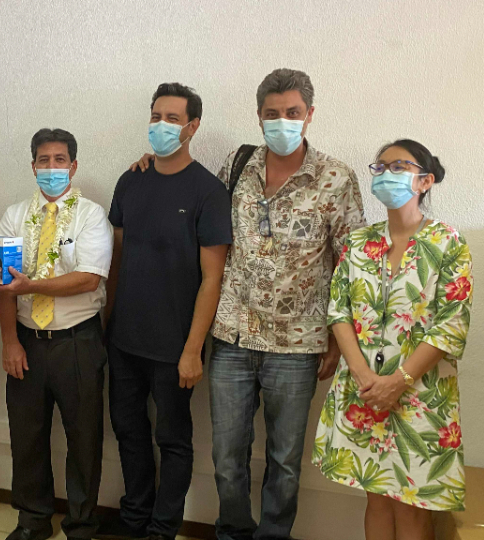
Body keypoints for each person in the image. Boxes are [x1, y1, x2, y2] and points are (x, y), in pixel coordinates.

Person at [202, 69, 367, 540]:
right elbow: (202, 216)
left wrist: (341, 341)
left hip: (299, 344)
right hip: (232, 335)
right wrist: (152, 162)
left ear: (309, 115)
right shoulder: (237, 166)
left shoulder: (335, 177)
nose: (282, 122)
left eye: (292, 113)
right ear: (259, 117)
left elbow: (350, 263)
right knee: (227, 457)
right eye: (272, 114)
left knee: (285, 462)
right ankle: (232, 532)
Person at [314, 140, 471, 540]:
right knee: (377, 497)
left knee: (414, 505)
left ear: (425, 180)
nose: (385, 174)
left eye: (398, 166)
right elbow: (339, 312)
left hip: (420, 392)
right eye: (379, 167)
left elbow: (451, 324)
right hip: (363, 389)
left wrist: (397, 381)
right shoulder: (356, 243)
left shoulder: (447, 242)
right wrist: (365, 374)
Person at [101, 83, 231, 540]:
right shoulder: (130, 180)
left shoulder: (208, 192)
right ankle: (134, 519)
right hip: (123, 339)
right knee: (128, 432)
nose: (161, 125)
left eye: (172, 119)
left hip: (176, 345)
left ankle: (162, 528)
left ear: (192, 127)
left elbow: (212, 278)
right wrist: (106, 321)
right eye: (156, 116)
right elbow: (116, 257)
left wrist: (194, 348)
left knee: (173, 441)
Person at [0, 128, 113, 540]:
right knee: (26, 436)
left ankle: (81, 525)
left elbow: (88, 278)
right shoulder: (13, 216)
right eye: (43, 160)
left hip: (78, 341)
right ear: (33, 166)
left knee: (84, 439)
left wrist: (29, 287)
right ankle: (32, 521)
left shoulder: (91, 214)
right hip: (27, 342)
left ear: (73, 166)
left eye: (59, 160)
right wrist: (9, 341)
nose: (51, 168)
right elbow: (3, 286)